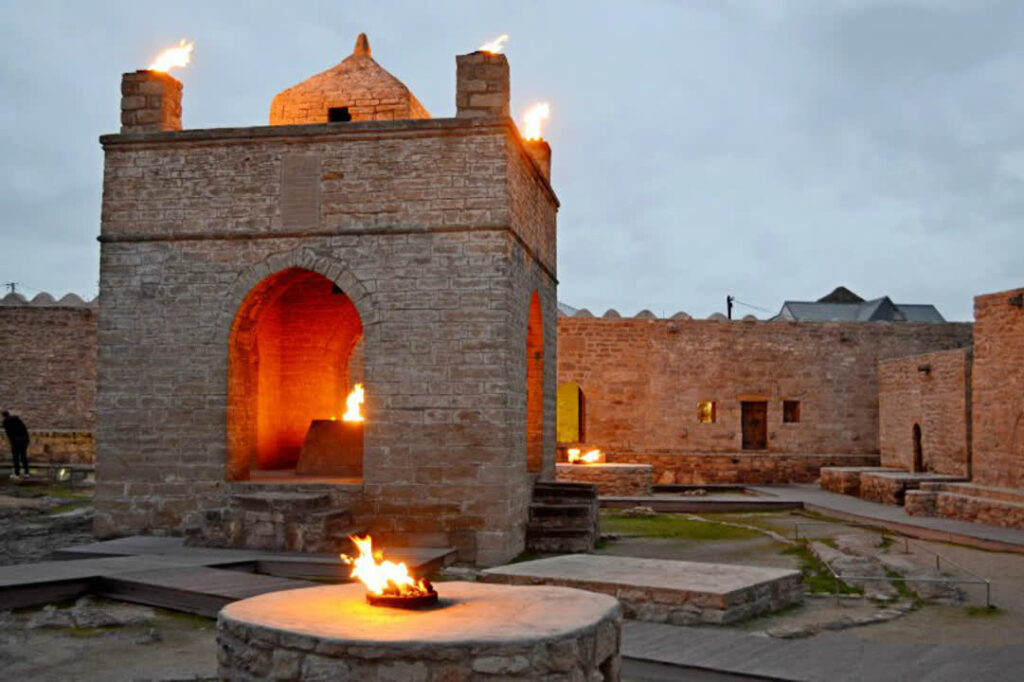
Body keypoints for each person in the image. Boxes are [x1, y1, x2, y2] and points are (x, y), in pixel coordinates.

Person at [2, 410, 30, 480]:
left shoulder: (6, 422)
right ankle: (26, 473)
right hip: (23, 440)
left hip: (15, 441)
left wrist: (12, 442)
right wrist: (26, 440)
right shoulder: (17, 420)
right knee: (24, 457)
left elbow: (9, 434)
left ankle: (17, 474)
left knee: (16, 458)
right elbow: (24, 429)